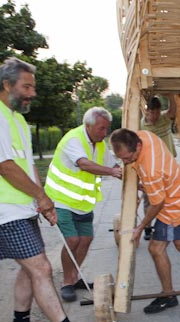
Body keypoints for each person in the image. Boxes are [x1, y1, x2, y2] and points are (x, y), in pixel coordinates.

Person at [0, 57, 105, 322]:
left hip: (19, 207)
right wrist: (40, 197)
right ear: (7, 84)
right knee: (40, 267)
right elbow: (5, 166)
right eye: (27, 87)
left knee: (30, 269)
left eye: (33, 87)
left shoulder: (16, 119)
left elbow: (26, 167)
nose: (33, 93)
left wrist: (43, 200)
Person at [110, 128, 180, 314]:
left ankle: (168, 296)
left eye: (127, 158)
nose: (125, 163)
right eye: (121, 159)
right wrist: (143, 183)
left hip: (172, 207)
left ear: (138, 146)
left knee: (156, 248)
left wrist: (140, 227)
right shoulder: (145, 135)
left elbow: (157, 203)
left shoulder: (150, 169)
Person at [44, 107, 122, 302]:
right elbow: (84, 164)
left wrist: (134, 180)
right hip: (61, 200)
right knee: (72, 240)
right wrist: (111, 172)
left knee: (86, 239)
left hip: (83, 202)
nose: (105, 133)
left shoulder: (100, 145)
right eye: (101, 128)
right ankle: (66, 283)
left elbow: (114, 166)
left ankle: (74, 276)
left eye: (107, 128)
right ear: (88, 126)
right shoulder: (73, 139)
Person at [140, 95, 177, 240]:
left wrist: (170, 96)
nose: (155, 116)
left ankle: (168, 227)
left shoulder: (164, 118)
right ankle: (148, 227)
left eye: (157, 112)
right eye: (152, 113)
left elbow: (173, 110)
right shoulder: (141, 125)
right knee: (149, 198)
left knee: (169, 198)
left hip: (167, 166)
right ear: (147, 111)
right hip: (150, 167)